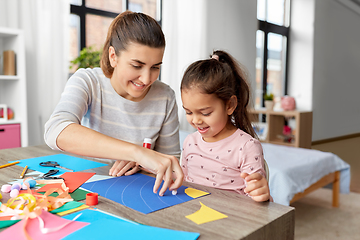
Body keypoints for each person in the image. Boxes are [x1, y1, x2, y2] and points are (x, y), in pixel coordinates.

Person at [44, 11, 183, 196]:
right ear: (113, 56)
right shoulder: (88, 81)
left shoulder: (165, 96)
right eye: (137, 65)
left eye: (155, 67)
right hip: (82, 190)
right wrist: (135, 152)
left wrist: (140, 162)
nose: (146, 78)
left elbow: (171, 163)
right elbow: (55, 130)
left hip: (134, 193)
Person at [180, 50, 271, 202]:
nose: (196, 120)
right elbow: (183, 184)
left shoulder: (247, 146)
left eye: (206, 113)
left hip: (230, 220)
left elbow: (257, 202)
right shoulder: (190, 141)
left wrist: (260, 193)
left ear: (230, 105)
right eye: (188, 112)